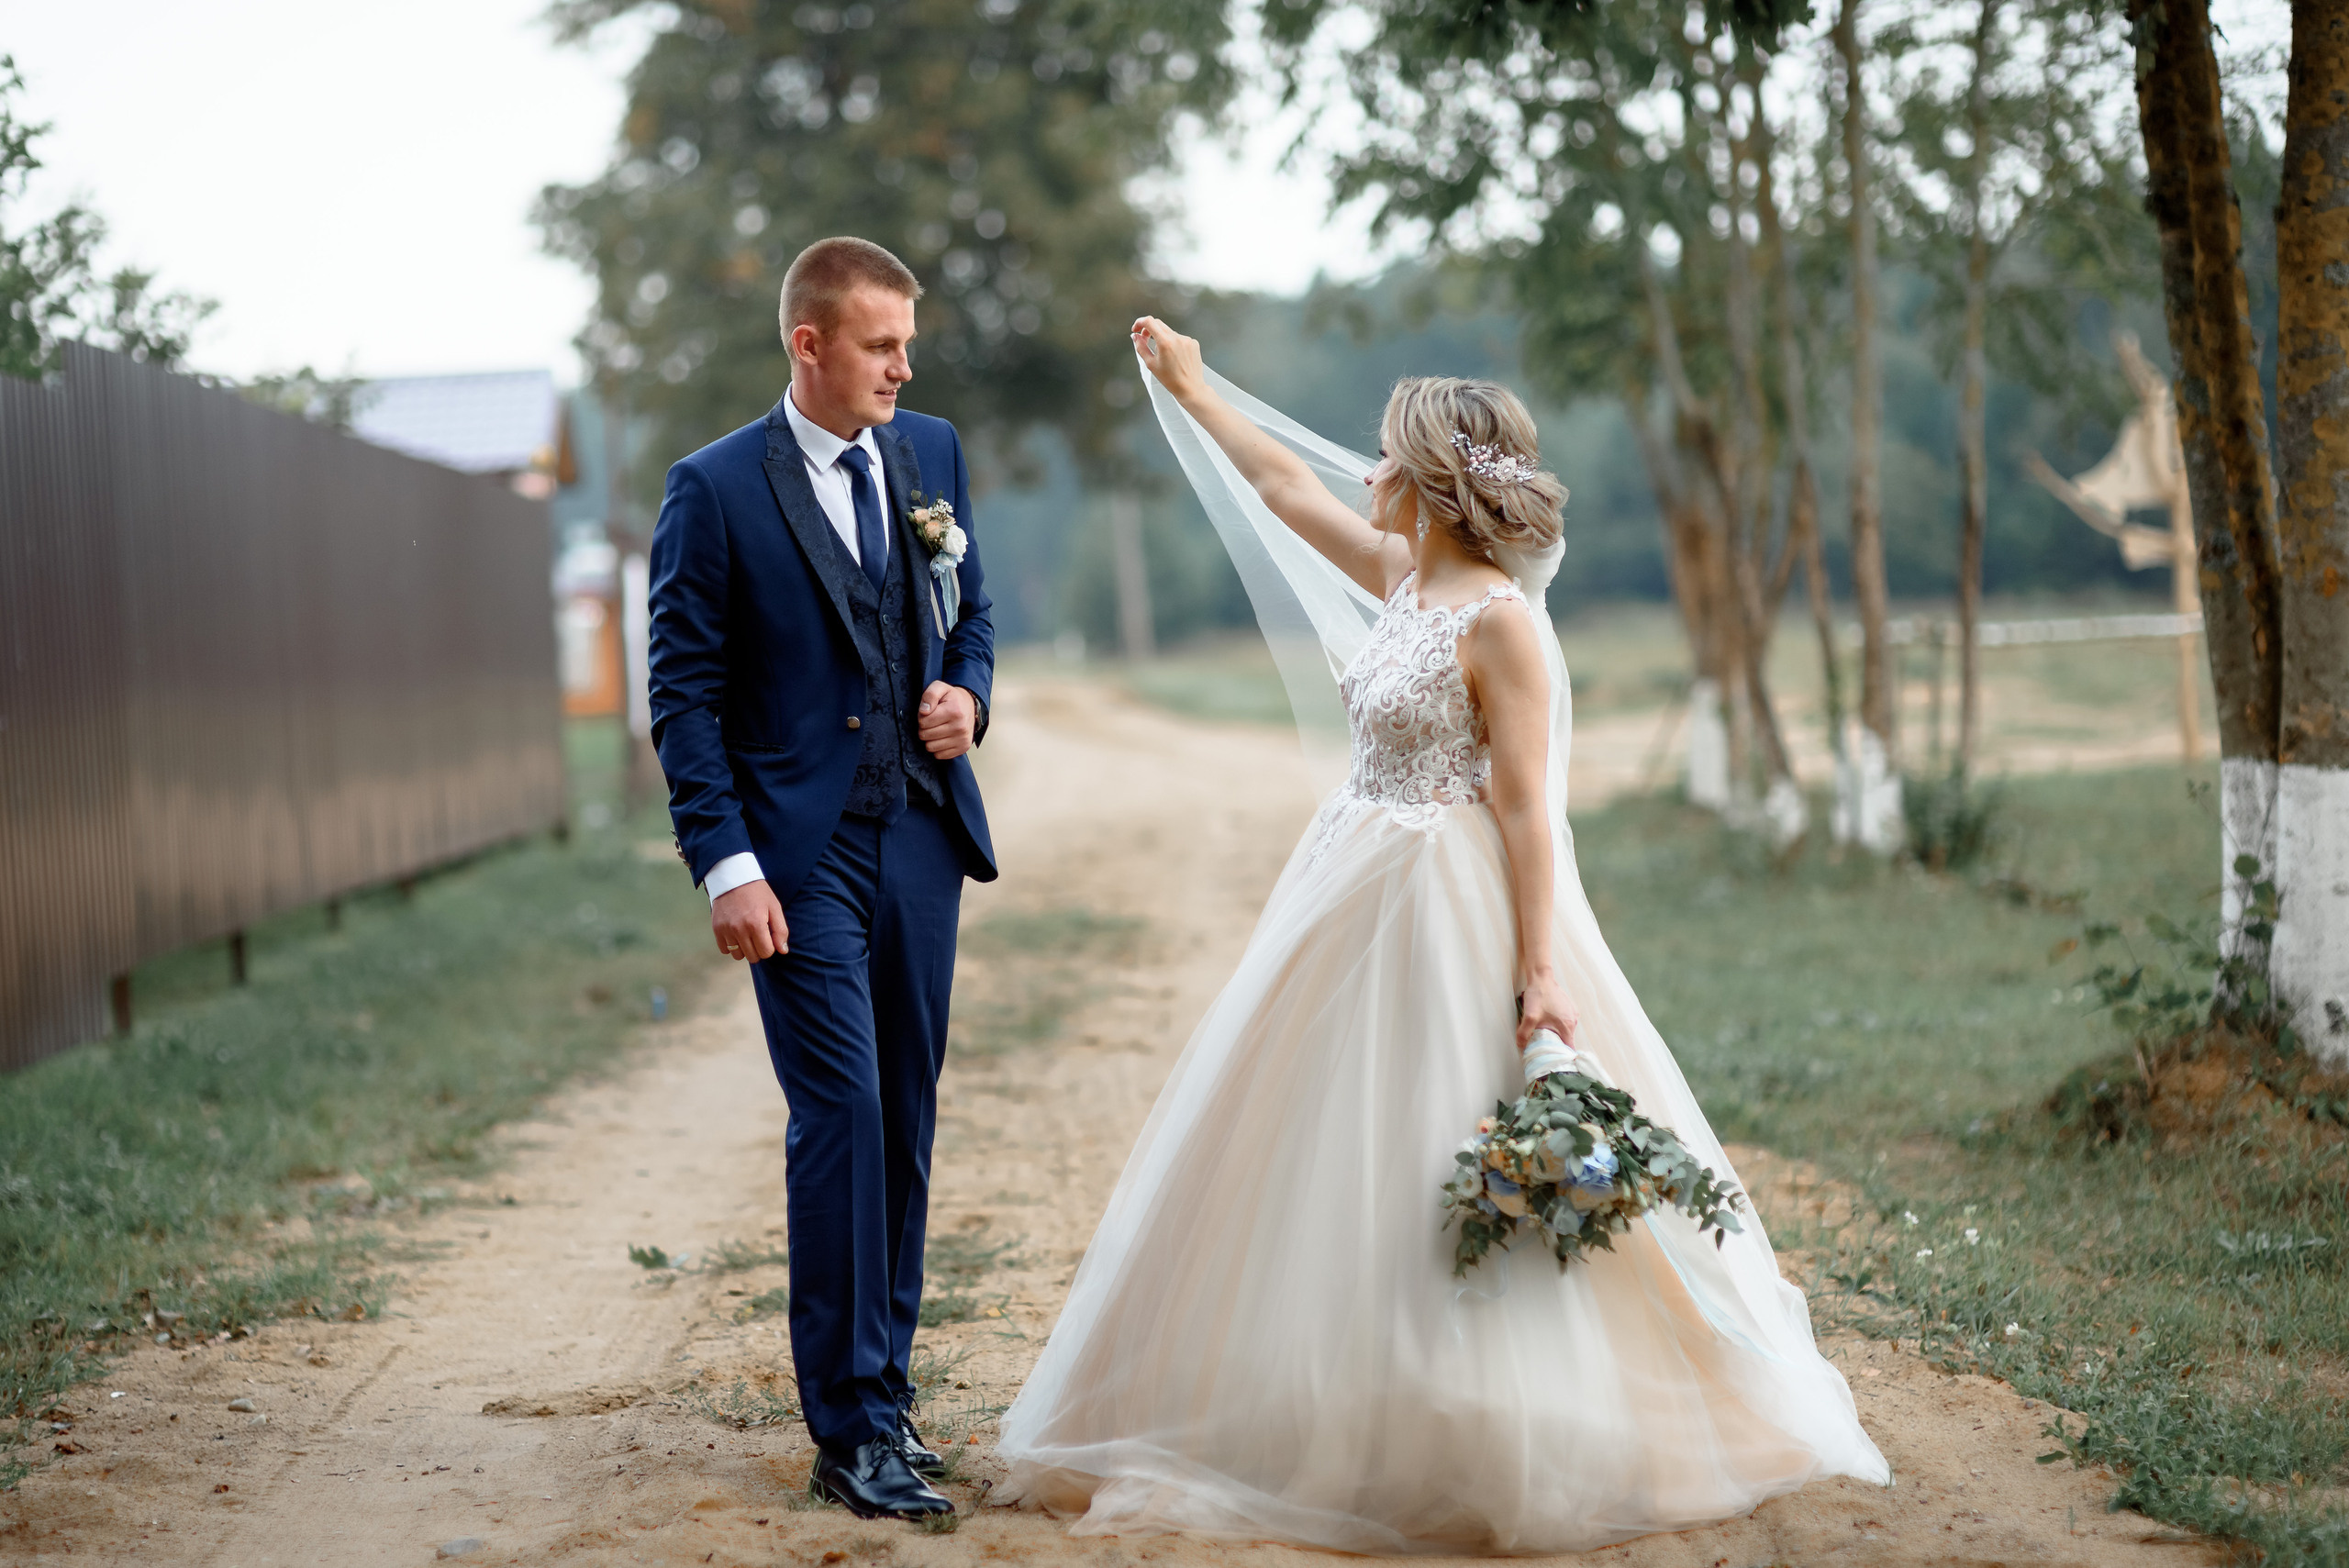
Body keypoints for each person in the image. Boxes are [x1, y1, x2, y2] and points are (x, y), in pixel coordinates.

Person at [992, 317, 1889, 1554]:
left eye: (1380, 459)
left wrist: (1538, 971)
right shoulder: (1403, 581)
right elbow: (1276, 482)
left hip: (1447, 905)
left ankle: (1487, 1407)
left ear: (1426, 482)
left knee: (1438, 1145)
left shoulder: (1501, 625)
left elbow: (1529, 809)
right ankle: (1326, 1388)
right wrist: (1192, 386)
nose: (1363, 473)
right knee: (1316, 1156)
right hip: (1347, 890)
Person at [645, 236, 996, 1520]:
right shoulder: (715, 489)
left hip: (918, 837)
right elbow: (681, 696)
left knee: (903, 1109)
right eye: (881, 345)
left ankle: (888, 1393)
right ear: (810, 344)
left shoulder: (932, 456)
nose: (905, 367)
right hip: (797, 858)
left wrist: (968, 696)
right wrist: (724, 862)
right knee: (841, 1114)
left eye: (907, 344)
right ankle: (847, 1427)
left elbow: (973, 616)